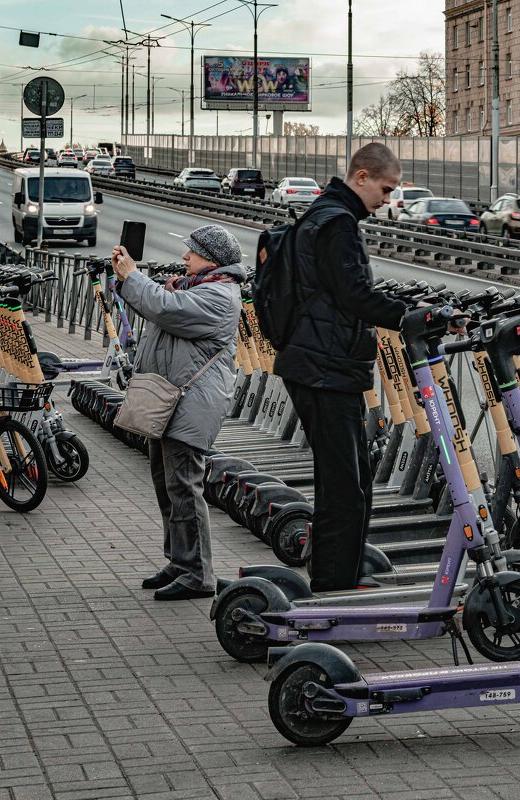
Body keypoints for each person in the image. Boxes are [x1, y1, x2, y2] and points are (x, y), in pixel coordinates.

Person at [271, 143, 411, 593]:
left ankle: (342, 578)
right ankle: (333, 586)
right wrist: (408, 316)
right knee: (343, 486)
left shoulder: (324, 215)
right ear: (363, 176)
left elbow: (337, 292)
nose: (386, 200)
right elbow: (353, 295)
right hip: (323, 366)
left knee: (351, 481)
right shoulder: (338, 223)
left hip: (321, 362)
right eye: (385, 189)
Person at [112, 225, 246, 600]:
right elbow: (162, 308)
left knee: (185, 488)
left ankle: (198, 573)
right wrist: (135, 284)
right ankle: (181, 560)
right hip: (170, 402)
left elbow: (166, 310)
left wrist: (134, 278)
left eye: (192, 251)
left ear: (213, 259)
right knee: (166, 484)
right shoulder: (197, 288)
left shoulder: (219, 296)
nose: (185, 257)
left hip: (192, 405)